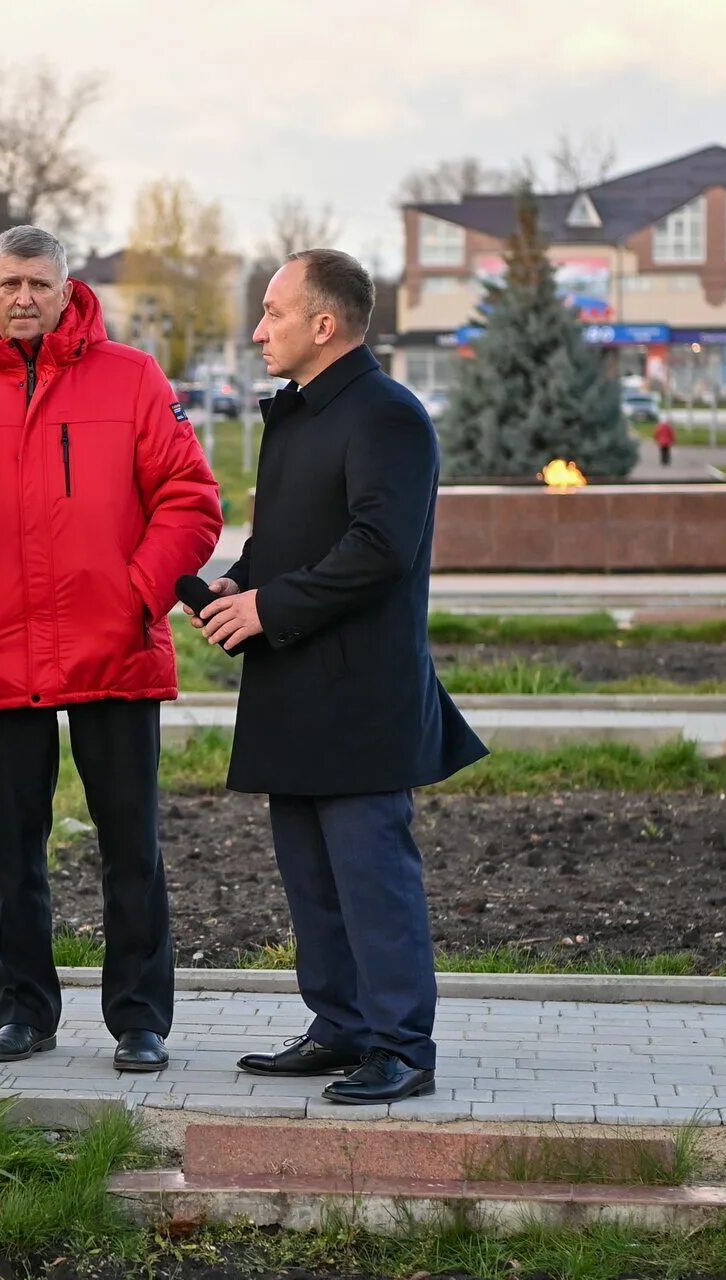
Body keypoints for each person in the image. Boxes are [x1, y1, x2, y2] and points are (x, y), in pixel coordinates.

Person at [0, 226, 222, 1074]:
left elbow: (190, 500)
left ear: (67, 288)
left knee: (132, 847)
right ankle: (25, 1014)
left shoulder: (134, 379)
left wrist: (138, 594)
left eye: (39, 284)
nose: (23, 299)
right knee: (15, 849)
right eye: (9, 283)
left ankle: (139, 1020)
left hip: (114, 649)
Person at [190, 249, 489, 1105]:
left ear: (325, 325)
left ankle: (402, 1047)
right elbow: (289, 540)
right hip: (294, 684)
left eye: (273, 313)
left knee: (372, 880)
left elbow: (379, 549)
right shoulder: (301, 415)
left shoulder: (388, 416)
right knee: (312, 879)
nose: (258, 330)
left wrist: (267, 607)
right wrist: (238, 586)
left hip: (361, 693)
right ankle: (340, 1028)